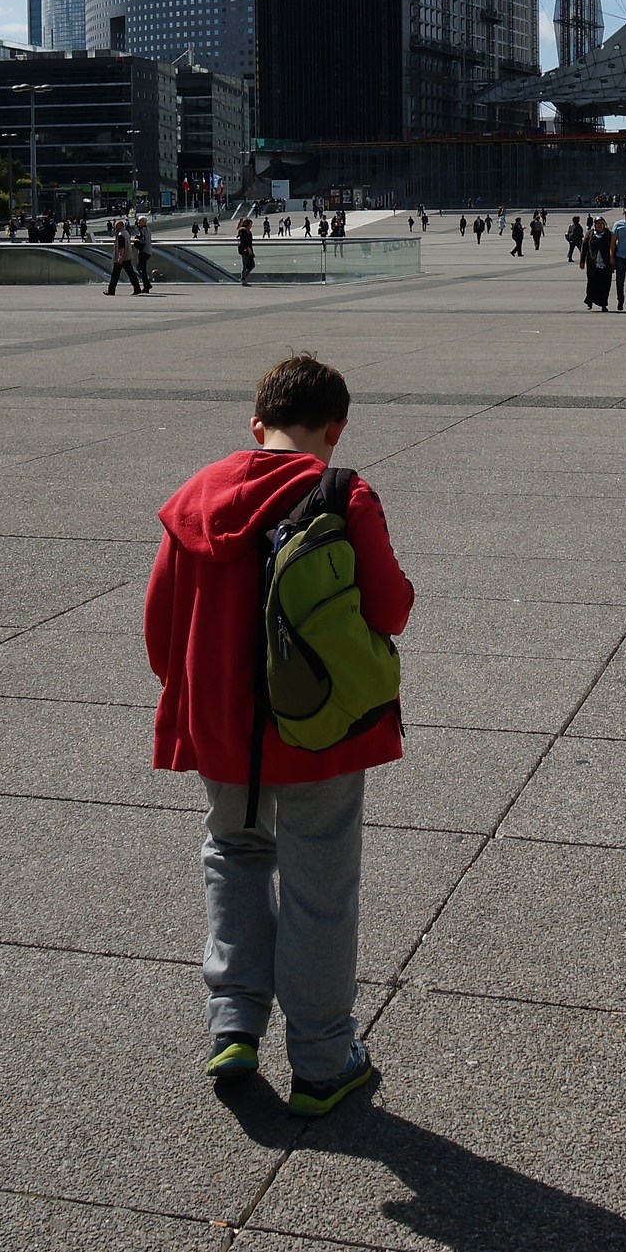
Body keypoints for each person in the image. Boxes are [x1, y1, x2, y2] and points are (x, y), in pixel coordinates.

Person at [144, 354, 414, 1117]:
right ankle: (324, 1061)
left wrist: (193, 698)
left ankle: (232, 1023)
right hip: (319, 726)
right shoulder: (342, 492)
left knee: (232, 852)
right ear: (336, 428)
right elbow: (389, 610)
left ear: (253, 421)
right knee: (319, 883)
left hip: (225, 726)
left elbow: (160, 626)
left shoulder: (195, 496)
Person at [581, 214, 615, 311]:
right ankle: (589, 302)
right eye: (598, 223)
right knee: (591, 284)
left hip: (606, 265)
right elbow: (584, 248)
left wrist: (614, 261)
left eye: (601, 223)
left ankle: (603, 304)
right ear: (595, 225)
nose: (600, 225)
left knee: (605, 285)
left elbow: (614, 248)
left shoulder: (609, 234)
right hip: (593, 264)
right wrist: (582, 261)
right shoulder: (589, 234)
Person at [106, 220, 143, 296]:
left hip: (122, 258)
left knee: (115, 275)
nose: (114, 228)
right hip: (127, 257)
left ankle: (111, 290)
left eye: (116, 226)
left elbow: (121, 247)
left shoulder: (120, 235)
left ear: (120, 226)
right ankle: (137, 288)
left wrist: (120, 257)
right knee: (131, 274)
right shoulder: (126, 233)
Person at [134, 214, 153, 295]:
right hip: (148, 251)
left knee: (141, 269)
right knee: (140, 268)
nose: (138, 222)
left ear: (143, 222)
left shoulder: (144, 230)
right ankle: (147, 284)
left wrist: (136, 240)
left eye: (139, 221)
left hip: (144, 251)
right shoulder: (147, 229)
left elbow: (143, 241)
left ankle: (146, 285)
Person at [237, 215, 257, 285]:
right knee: (246, 265)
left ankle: (244, 278)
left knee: (250, 265)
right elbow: (244, 241)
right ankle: (243, 279)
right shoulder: (244, 231)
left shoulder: (247, 231)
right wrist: (249, 249)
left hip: (248, 250)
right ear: (247, 224)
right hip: (246, 250)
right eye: (250, 224)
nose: (251, 226)